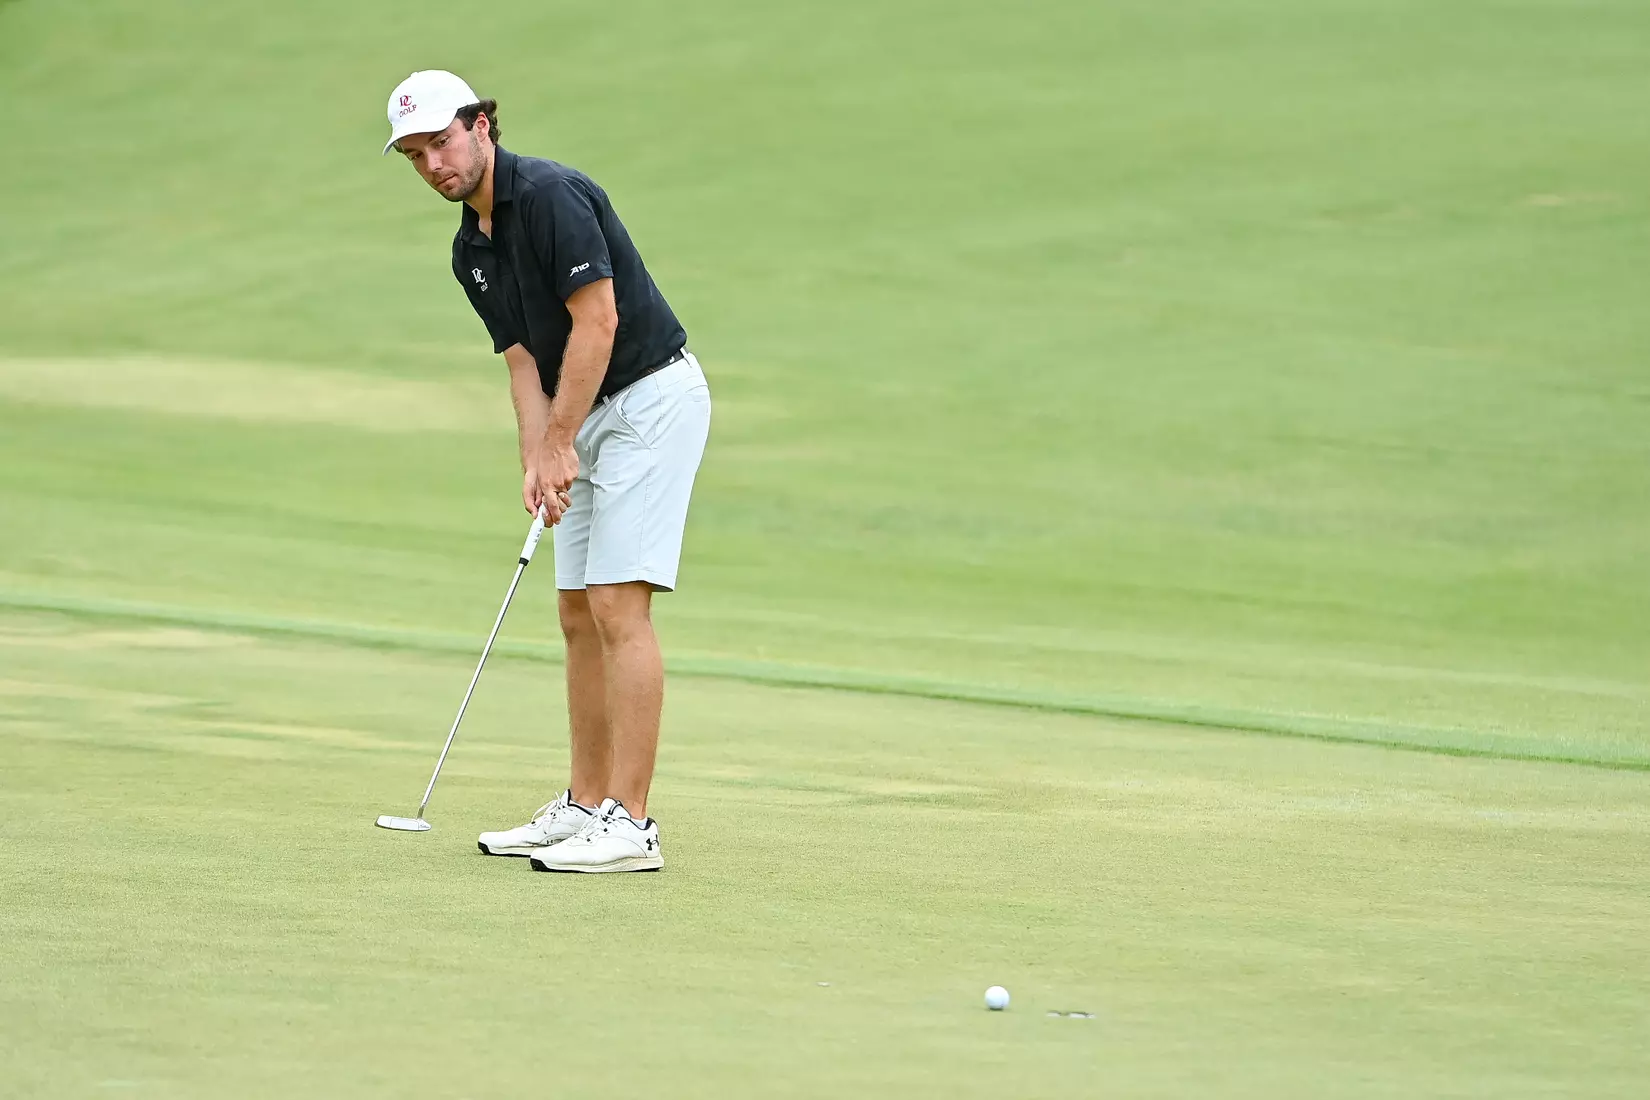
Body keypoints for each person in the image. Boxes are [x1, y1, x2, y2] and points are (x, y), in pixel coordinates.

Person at [381, 70, 711, 873]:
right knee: (574, 613)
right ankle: (585, 804)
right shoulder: (470, 249)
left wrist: (560, 441)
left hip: (646, 402)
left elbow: (598, 322)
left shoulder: (553, 196)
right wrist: (538, 454)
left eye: (442, 141)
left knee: (616, 606)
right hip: (582, 413)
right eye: (415, 154)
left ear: (483, 125)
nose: (433, 164)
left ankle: (632, 824)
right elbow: (524, 358)